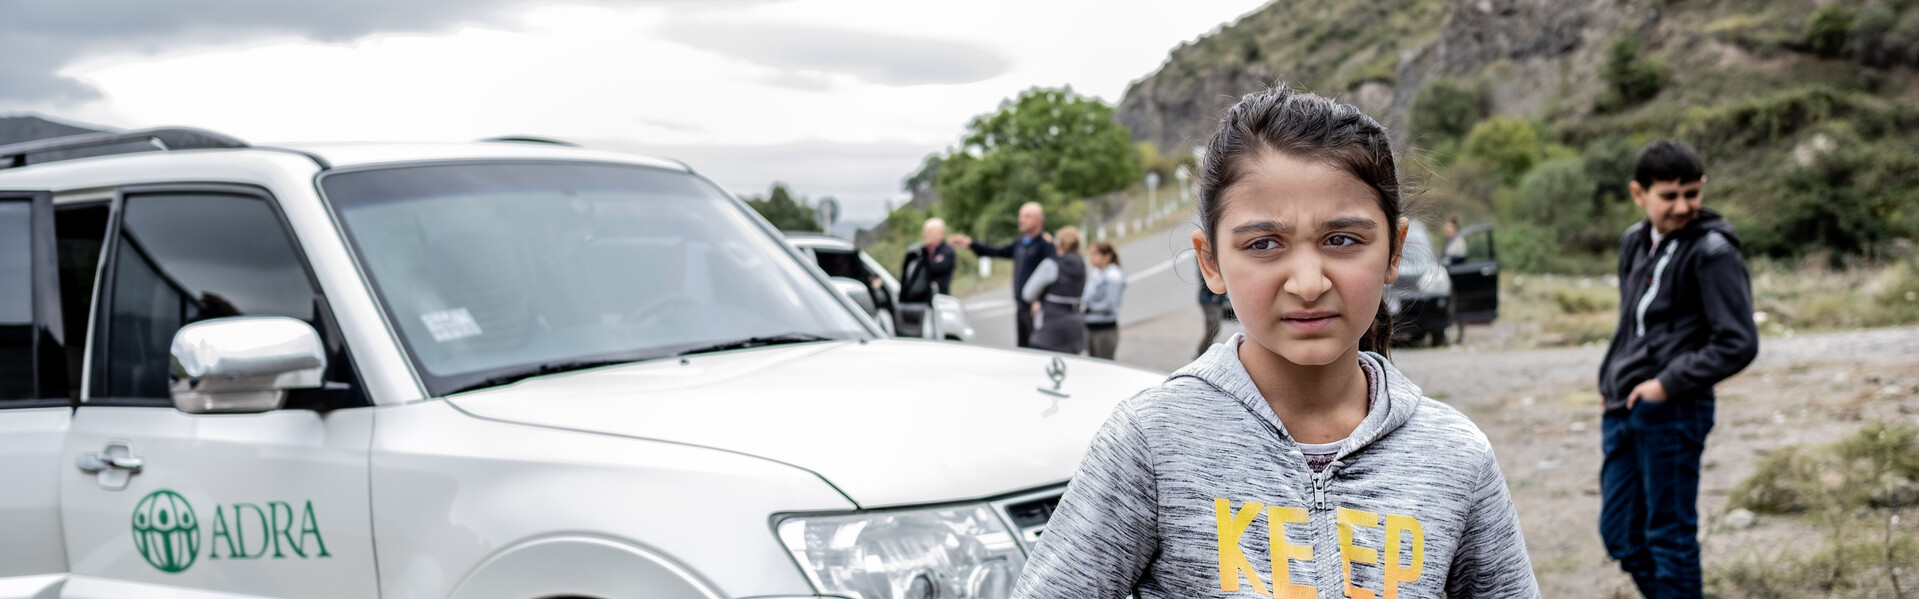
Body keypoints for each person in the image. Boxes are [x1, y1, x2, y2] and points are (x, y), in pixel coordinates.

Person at [1012, 84, 1538, 599]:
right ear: (1210, 261)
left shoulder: (1455, 456)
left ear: (1394, 252)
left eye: (1342, 240)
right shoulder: (1152, 443)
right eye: (1264, 244)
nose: (1308, 283)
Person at [1597, 140, 1757, 599]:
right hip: (1622, 407)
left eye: (1693, 193)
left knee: (1670, 537)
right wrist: (1612, 380)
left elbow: (1738, 342)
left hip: (1673, 409)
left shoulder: (1713, 251)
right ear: (1639, 194)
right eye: (1670, 196)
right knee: (1622, 535)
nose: (1683, 206)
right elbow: (1633, 324)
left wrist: (1665, 385)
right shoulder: (1634, 241)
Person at [952, 202, 1056, 348]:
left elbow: (1051, 275)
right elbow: (997, 251)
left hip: (1036, 307)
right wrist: (971, 244)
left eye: (1027, 216)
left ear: (1039, 219)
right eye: (1021, 216)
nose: (1021, 220)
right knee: (1023, 347)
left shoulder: (1045, 244)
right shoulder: (1021, 243)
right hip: (1020, 305)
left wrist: (1039, 300)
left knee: (1037, 348)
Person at [1020, 227, 1087, 354]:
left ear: (1058, 244)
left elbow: (1027, 294)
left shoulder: (1051, 264)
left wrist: (1041, 295)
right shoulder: (1081, 264)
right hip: (1075, 328)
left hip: (1050, 329)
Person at [1081, 241, 1125, 359]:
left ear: (1107, 256)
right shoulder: (1096, 273)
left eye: (1095, 254)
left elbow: (1110, 305)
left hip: (1104, 330)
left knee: (1105, 366)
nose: (1091, 258)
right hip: (1091, 328)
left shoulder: (1113, 276)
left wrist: (1089, 309)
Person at [1196, 276, 1229, 357]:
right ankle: (1201, 352)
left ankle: (1206, 349)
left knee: (1213, 325)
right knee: (1214, 325)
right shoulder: (1207, 269)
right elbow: (1205, 280)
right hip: (1209, 299)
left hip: (1218, 299)